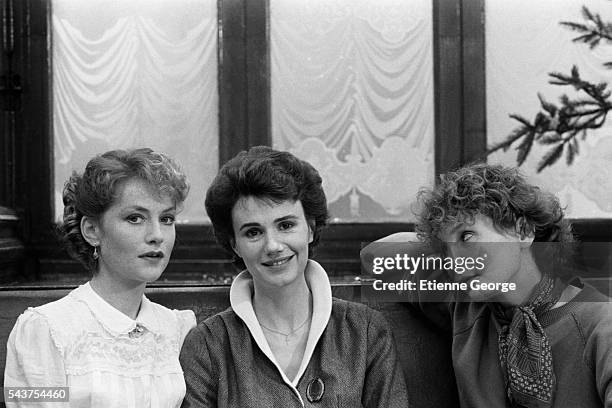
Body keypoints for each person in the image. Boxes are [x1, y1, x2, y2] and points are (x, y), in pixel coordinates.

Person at [362, 163, 612, 408]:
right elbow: (377, 253)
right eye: (445, 250)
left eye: (467, 236)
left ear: (523, 231)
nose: (455, 264)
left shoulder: (600, 323)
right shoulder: (465, 308)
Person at [180, 146, 408, 408]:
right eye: (253, 232)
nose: (273, 245)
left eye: (286, 225)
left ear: (310, 229)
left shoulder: (365, 331)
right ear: (235, 245)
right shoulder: (207, 346)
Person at [4, 148, 196, 408]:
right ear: (92, 230)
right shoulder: (46, 331)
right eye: (135, 218)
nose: (157, 235)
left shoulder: (176, 329)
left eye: (166, 218)